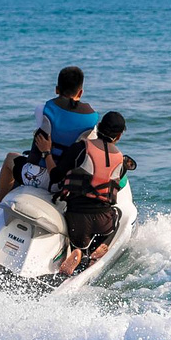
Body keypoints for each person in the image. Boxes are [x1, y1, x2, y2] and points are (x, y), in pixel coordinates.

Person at [0, 66, 99, 207]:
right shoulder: (92, 120)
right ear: (80, 92)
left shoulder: (42, 109)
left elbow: (41, 132)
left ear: (57, 89)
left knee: (10, 158)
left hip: (34, 176)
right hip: (63, 183)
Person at [50, 111, 130, 276]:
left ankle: (79, 251)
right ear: (119, 136)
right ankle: (93, 252)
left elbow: (56, 175)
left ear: (98, 127)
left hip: (75, 217)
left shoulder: (80, 148)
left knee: (79, 236)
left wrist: (45, 153)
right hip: (103, 220)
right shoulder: (121, 160)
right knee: (118, 213)